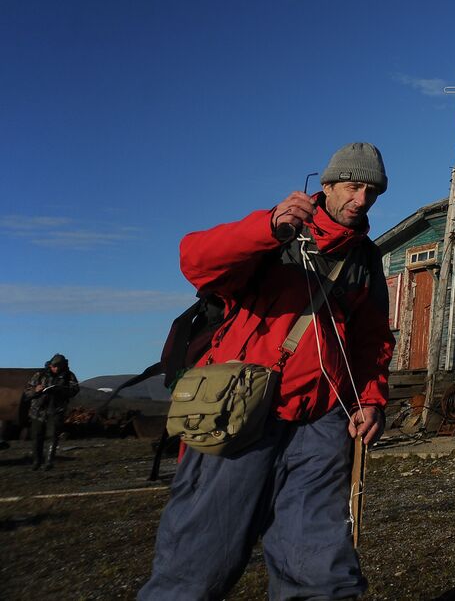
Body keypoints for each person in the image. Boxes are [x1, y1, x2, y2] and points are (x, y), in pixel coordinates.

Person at [141, 143, 396, 601]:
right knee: (198, 559)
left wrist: (370, 399)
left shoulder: (366, 259)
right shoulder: (278, 232)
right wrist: (267, 228)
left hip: (321, 421)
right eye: (353, 186)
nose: (361, 199)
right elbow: (194, 259)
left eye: (372, 191)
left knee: (319, 564)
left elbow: (372, 339)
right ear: (328, 185)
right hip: (240, 410)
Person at [26, 354, 79, 470]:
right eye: (54, 366)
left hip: (56, 410)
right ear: (50, 365)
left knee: (53, 436)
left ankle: (49, 462)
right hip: (38, 410)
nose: (56, 368)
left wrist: (61, 390)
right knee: (36, 436)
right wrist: (36, 390)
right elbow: (27, 392)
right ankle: (36, 461)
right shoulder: (39, 375)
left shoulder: (68, 376)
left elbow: (75, 389)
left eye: (59, 366)